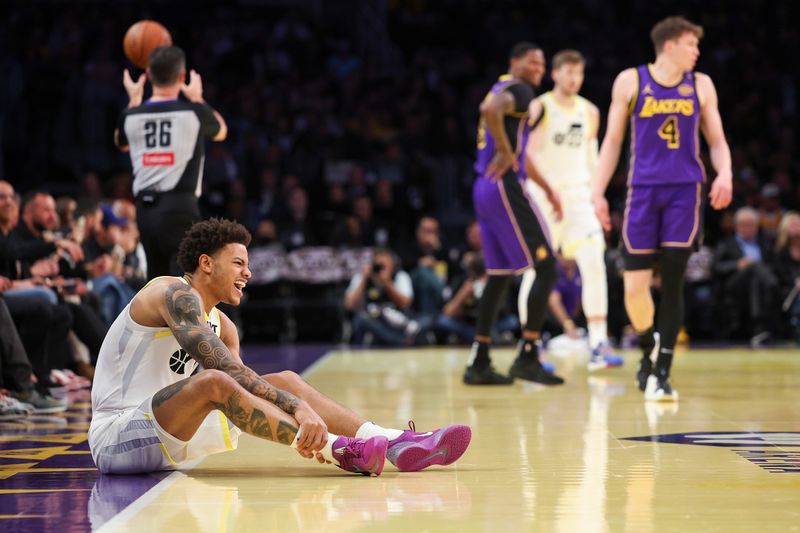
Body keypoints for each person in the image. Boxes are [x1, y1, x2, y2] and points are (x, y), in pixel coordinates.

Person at [89, 218, 471, 475]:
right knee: (216, 383)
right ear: (206, 263)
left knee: (283, 380)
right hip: (118, 437)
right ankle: (339, 449)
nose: (248, 273)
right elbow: (227, 376)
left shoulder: (224, 326)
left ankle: (390, 441)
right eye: (238, 263)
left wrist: (292, 401)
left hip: (176, 437)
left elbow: (243, 392)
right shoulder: (172, 293)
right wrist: (298, 410)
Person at [592, 17, 733, 401]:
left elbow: (717, 140)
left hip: (685, 192)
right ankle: (647, 349)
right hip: (642, 192)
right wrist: (598, 192)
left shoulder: (701, 85)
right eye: (691, 44)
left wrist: (725, 175)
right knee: (634, 288)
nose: (697, 51)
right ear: (669, 45)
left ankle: (663, 372)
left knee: (673, 282)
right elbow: (612, 142)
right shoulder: (631, 81)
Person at [463, 42, 564, 386]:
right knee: (547, 266)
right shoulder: (518, 90)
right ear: (515, 62)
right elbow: (491, 110)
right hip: (504, 185)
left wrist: (547, 187)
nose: (538, 67)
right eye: (532, 61)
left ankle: (479, 359)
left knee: (500, 274)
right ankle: (528, 355)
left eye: (542, 62)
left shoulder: (502, 87)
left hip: (484, 187)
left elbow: (488, 108)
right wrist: (505, 152)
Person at [517, 49, 623, 372]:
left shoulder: (589, 111)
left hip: (578, 199)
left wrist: (597, 197)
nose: (574, 79)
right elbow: (527, 154)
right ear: (556, 74)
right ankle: (530, 346)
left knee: (594, 262)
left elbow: (593, 160)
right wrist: (544, 192)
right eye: (568, 72)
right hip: (544, 197)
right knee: (536, 270)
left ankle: (598, 343)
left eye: (579, 73)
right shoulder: (540, 107)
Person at [115, 45, 228, 279]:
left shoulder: (131, 115)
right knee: (188, 284)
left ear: (147, 75)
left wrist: (134, 100)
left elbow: (120, 142)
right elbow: (221, 131)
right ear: (183, 76)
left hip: (144, 212)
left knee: (156, 283)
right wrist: (197, 98)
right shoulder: (194, 113)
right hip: (179, 207)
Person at [712, 207, 778, 346]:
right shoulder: (726, 243)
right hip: (734, 284)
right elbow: (716, 267)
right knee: (753, 268)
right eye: (744, 225)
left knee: (755, 276)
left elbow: (773, 264)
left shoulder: (764, 243)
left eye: (751, 225)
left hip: (758, 284)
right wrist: (736, 265)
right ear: (736, 226)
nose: (748, 228)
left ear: (757, 226)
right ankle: (759, 325)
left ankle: (758, 327)